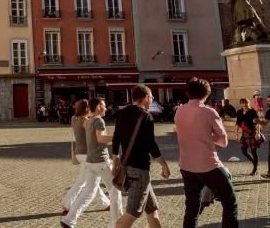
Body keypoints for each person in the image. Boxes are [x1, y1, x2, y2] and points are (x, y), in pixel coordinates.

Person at [175, 78, 238, 228]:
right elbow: (223, 142)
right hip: (208, 165)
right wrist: (208, 136)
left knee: (192, 207)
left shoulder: (179, 111)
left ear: (188, 93)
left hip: (187, 165)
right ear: (206, 94)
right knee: (230, 202)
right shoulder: (209, 112)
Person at [112, 85, 170, 228]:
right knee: (132, 213)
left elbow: (116, 139)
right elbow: (150, 144)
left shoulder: (122, 113)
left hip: (128, 166)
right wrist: (164, 164)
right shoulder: (146, 116)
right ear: (145, 98)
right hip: (139, 169)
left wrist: (116, 162)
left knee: (152, 210)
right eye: (151, 97)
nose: (151, 100)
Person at [61, 98, 122, 228]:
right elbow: (100, 138)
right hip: (99, 160)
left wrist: (114, 140)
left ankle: (69, 219)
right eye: (104, 106)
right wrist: (119, 137)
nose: (106, 109)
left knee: (88, 191)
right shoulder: (95, 120)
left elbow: (97, 140)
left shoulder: (82, 120)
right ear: (98, 107)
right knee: (115, 191)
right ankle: (118, 224)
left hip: (89, 161)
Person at [236, 97, 261, 176]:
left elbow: (258, 123)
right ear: (241, 104)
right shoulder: (239, 112)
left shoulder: (253, 111)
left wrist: (258, 133)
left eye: (246, 103)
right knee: (244, 151)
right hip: (244, 133)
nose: (244, 104)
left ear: (249, 103)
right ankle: (254, 163)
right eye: (243, 103)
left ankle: (255, 169)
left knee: (254, 152)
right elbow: (237, 122)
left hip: (252, 132)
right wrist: (236, 133)